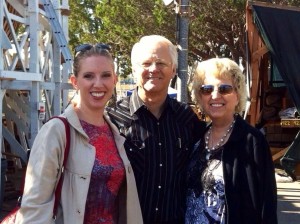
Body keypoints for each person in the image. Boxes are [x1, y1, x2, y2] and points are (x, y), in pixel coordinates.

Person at [15, 43, 143, 224]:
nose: (98, 83)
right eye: (88, 76)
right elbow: (35, 205)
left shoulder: (114, 131)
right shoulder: (57, 131)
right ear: (75, 82)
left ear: (115, 80)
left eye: (105, 75)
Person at [106, 35, 206, 224]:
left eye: (161, 63)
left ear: (174, 70)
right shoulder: (112, 119)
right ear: (135, 70)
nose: (153, 69)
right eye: (146, 63)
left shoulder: (187, 118)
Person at [185, 57, 277, 224]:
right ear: (200, 97)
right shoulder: (195, 137)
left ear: (237, 95)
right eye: (206, 89)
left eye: (224, 89)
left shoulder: (252, 141)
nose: (215, 95)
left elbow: (266, 204)